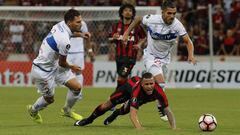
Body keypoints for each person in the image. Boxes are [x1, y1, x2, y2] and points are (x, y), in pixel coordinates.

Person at [122, 0, 197, 121]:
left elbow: (188, 41)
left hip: (165, 59)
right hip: (150, 56)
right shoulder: (152, 19)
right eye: (169, 13)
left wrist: (191, 55)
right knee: (161, 83)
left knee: (157, 86)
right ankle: (161, 108)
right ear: (162, 12)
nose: (172, 16)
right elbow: (139, 19)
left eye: (174, 13)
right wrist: (126, 33)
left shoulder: (177, 25)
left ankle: (132, 99)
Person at [27, 9, 86, 124]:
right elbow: (62, 63)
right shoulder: (65, 41)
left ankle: (67, 110)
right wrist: (72, 67)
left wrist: (81, 35)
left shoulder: (60, 24)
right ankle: (33, 110)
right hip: (43, 70)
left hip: (54, 65)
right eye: (78, 22)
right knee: (50, 99)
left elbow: (70, 33)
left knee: (77, 87)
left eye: (81, 21)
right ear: (69, 22)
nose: (81, 24)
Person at [74, 72, 176, 130]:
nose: (149, 86)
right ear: (141, 84)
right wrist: (139, 128)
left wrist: (174, 128)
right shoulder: (136, 92)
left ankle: (115, 114)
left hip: (142, 98)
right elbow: (133, 115)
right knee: (107, 105)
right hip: (128, 89)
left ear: (154, 83)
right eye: (146, 84)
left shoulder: (160, 92)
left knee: (124, 111)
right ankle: (89, 120)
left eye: (151, 84)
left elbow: (168, 110)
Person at [109, 4, 146, 89]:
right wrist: (113, 37)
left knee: (121, 78)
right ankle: (128, 95)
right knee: (122, 79)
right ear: (122, 13)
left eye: (130, 11)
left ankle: (116, 95)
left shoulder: (137, 27)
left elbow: (144, 37)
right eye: (125, 10)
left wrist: (139, 44)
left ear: (133, 14)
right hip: (119, 56)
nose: (128, 12)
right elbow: (110, 39)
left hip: (130, 57)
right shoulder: (116, 26)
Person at [65, 18, 95, 116]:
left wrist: (90, 51)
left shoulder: (83, 24)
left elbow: (87, 37)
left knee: (79, 72)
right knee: (66, 72)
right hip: (67, 51)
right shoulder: (65, 24)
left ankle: (79, 92)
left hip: (78, 52)